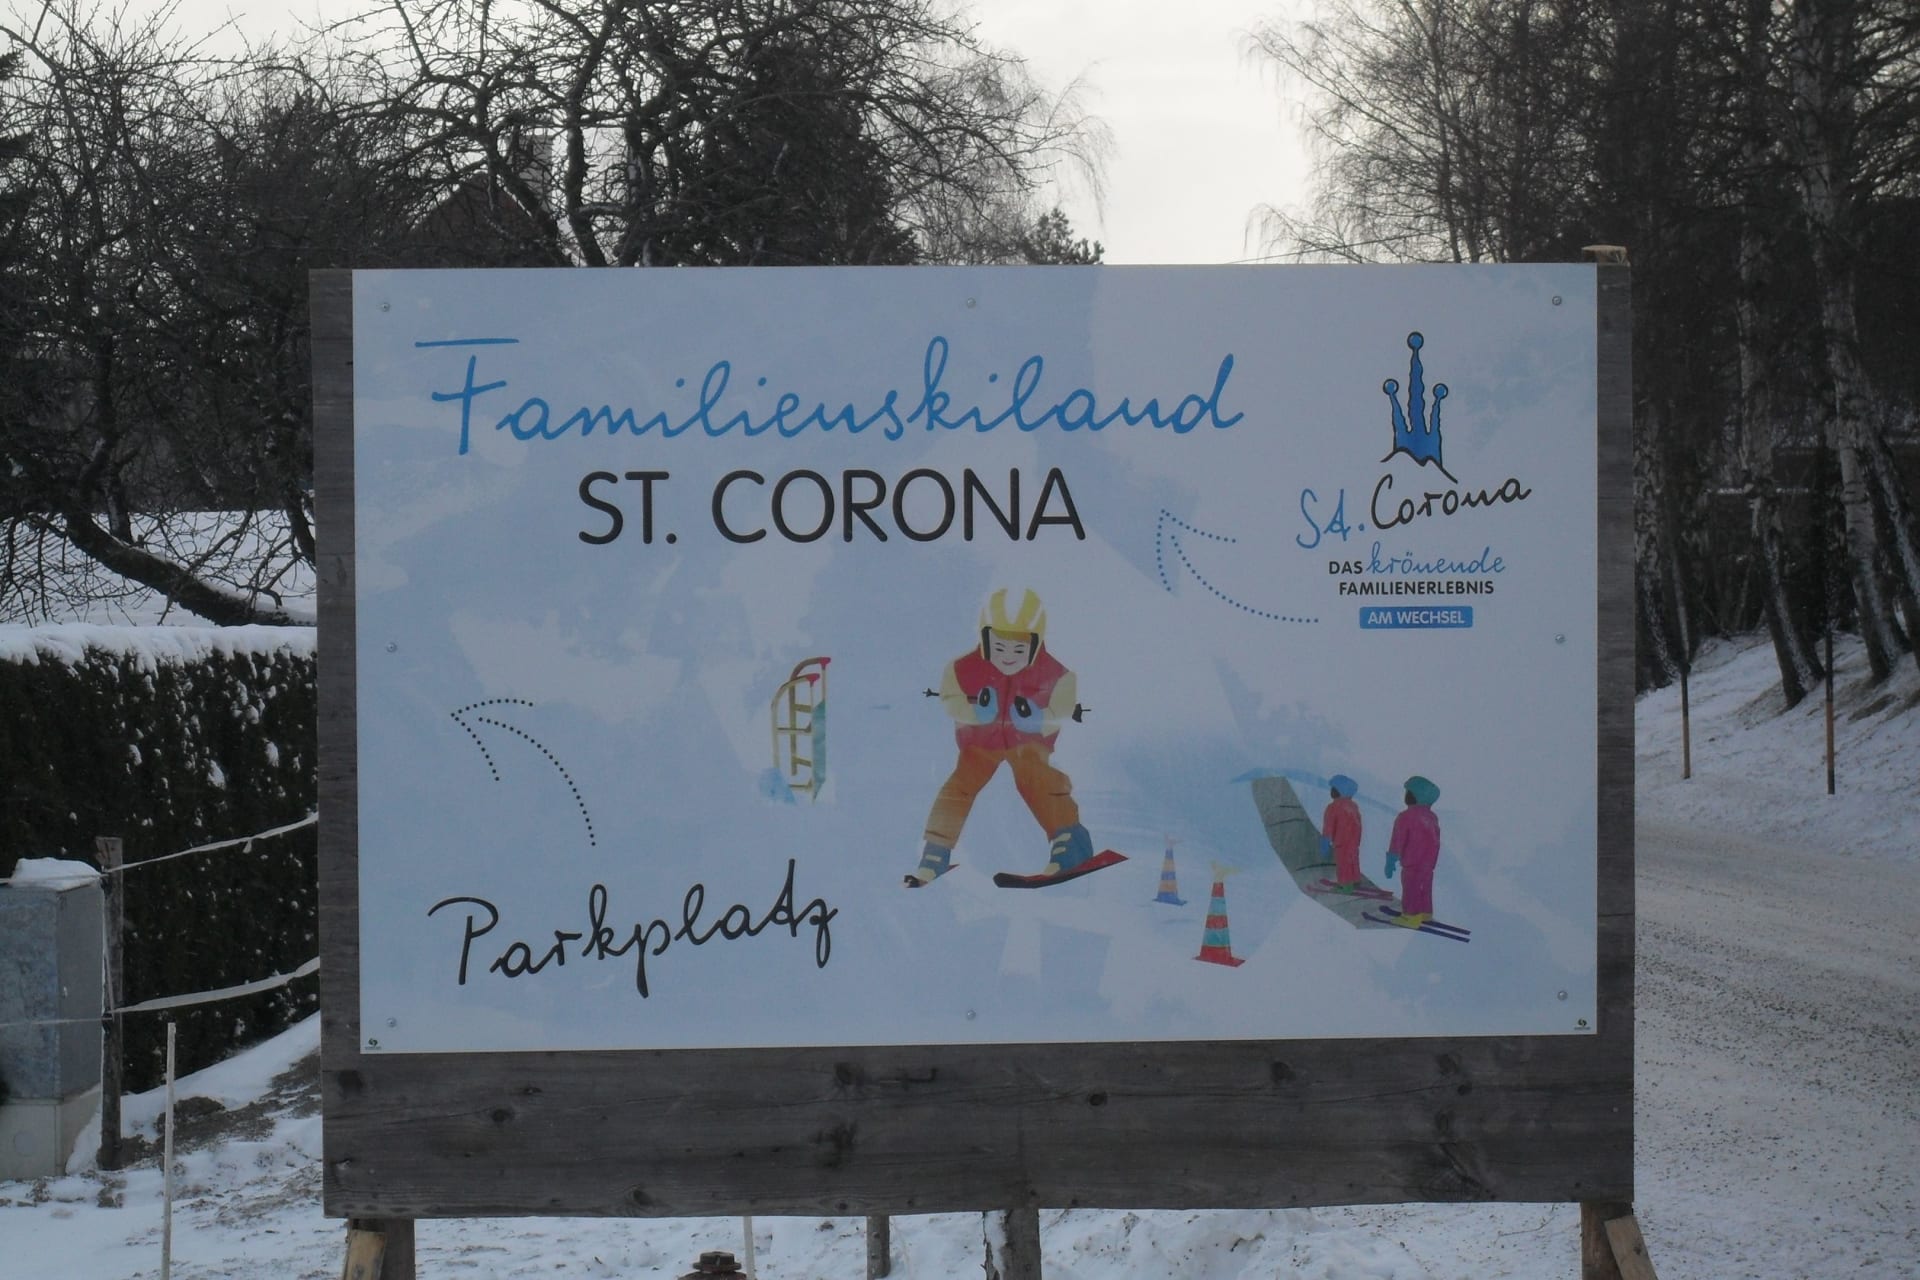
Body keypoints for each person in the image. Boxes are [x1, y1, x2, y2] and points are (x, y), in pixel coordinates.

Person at [907, 588, 1092, 886]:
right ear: (985, 639)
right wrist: (974, 712)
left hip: (1027, 744)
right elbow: (950, 699)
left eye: (1018, 650)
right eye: (999, 647)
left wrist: (1038, 719)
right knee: (959, 785)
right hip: (981, 744)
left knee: (1037, 780)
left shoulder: (1056, 674)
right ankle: (936, 849)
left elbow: (1062, 708)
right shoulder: (962, 668)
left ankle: (1068, 838)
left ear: (1036, 645)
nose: (1007, 657)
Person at [1385, 775, 1442, 927]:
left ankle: (1410, 916)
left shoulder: (1405, 817)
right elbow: (1436, 841)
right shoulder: (1432, 817)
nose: (1406, 795)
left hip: (1412, 863)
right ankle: (1426, 913)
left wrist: (1391, 860)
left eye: (1408, 792)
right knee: (1424, 887)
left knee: (1411, 888)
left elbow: (1397, 840)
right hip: (1429, 864)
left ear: (1415, 796)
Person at [1320, 774, 1363, 890]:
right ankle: (1356, 881)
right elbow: (1358, 824)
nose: (1331, 791)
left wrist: (1325, 842)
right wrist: (1357, 839)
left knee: (1343, 863)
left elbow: (1328, 827)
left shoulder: (1333, 807)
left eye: (1333, 788)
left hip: (1341, 842)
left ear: (1339, 790)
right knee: (1353, 861)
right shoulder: (1354, 806)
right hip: (1354, 842)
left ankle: (1346, 886)